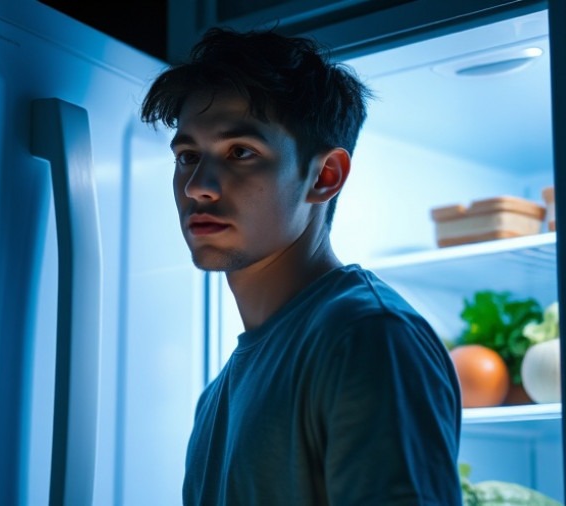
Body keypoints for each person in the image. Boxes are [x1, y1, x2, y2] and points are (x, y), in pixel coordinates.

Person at [140, 26, 462, 505]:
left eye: (240, 152)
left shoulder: (368, 337)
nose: (197, 186)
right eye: (187, 156)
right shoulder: (217, 395)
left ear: (324, 176)